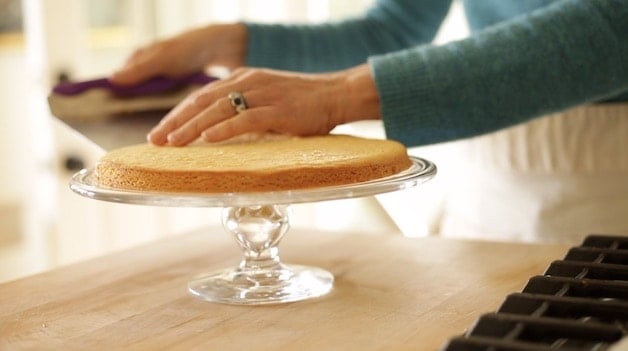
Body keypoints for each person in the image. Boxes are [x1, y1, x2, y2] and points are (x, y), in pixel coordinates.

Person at [111, 0, 628, 243]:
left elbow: (615, 27)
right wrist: (226, 42)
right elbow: (394, 27)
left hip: (608, 188)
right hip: (484, 187)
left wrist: (338, 95)